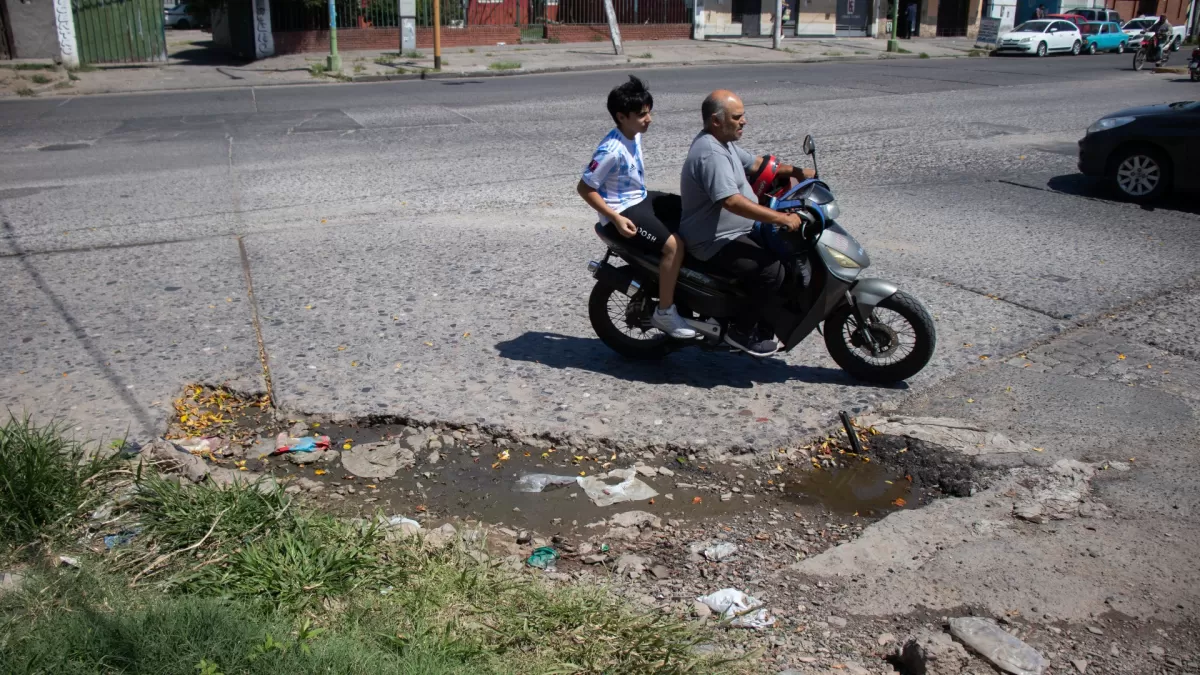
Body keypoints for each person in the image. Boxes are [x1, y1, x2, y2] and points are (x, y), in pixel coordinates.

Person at [678, 90, 816, 356]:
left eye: (743, 116)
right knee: (771, 271)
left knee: (788, 254)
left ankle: (764, 322)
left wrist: (802, 173)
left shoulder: (724, 142)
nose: (744, 121)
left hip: (736, 230)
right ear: (716, 120)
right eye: (738, 117)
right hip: (713, 240)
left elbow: (757, 164)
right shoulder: (711, 154)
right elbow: (731, 202)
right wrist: (781, 218)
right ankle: (740, 332)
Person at [577, 76, 696, 339]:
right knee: (673, 246)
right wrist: (615, 218)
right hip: (624, 210)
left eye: (649, 112)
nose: (649, 119)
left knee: (692, 211)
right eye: (642, 114)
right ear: (621, 116)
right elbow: (585, 188)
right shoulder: (610, 150)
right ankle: (665, 312)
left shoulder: (633, 133)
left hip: (640, 198)